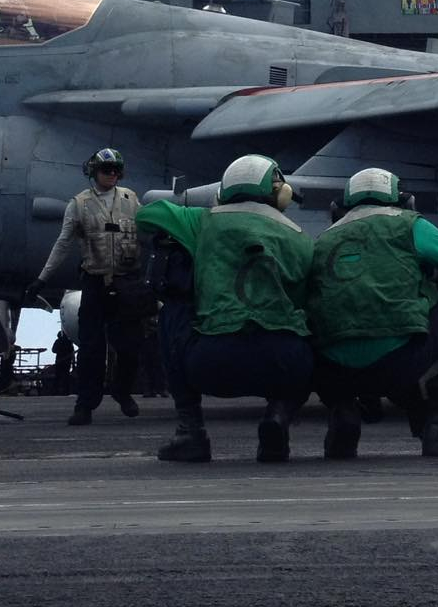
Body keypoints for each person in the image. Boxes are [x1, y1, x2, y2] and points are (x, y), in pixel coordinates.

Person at [305, 167, 438, 459]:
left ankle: (343, 413)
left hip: (333, 375)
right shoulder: (409, 224)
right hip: (397, 364)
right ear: (405, 201)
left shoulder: (321, 240)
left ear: (338, 208)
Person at [135, 154, 314, 464]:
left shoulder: (200, 222)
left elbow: (147, 215)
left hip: (211, 362)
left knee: (172, 311)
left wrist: (195, 210)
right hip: (284, 363)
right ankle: (279, 416)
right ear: (280, 193)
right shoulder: (301, 239)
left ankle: (190, 432)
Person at [40, 147, 143, 425]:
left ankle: (122, 391)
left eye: (115, 170)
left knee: (131, 347)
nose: (111, 174)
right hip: (95, 281)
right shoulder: (80, 203)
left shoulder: (131, 199)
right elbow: (63, 242)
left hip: (125, 281)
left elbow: (145, 230)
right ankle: (85, 405)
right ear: (93, 172)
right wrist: (43, 278)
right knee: (90, 349)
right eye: (106, 170)